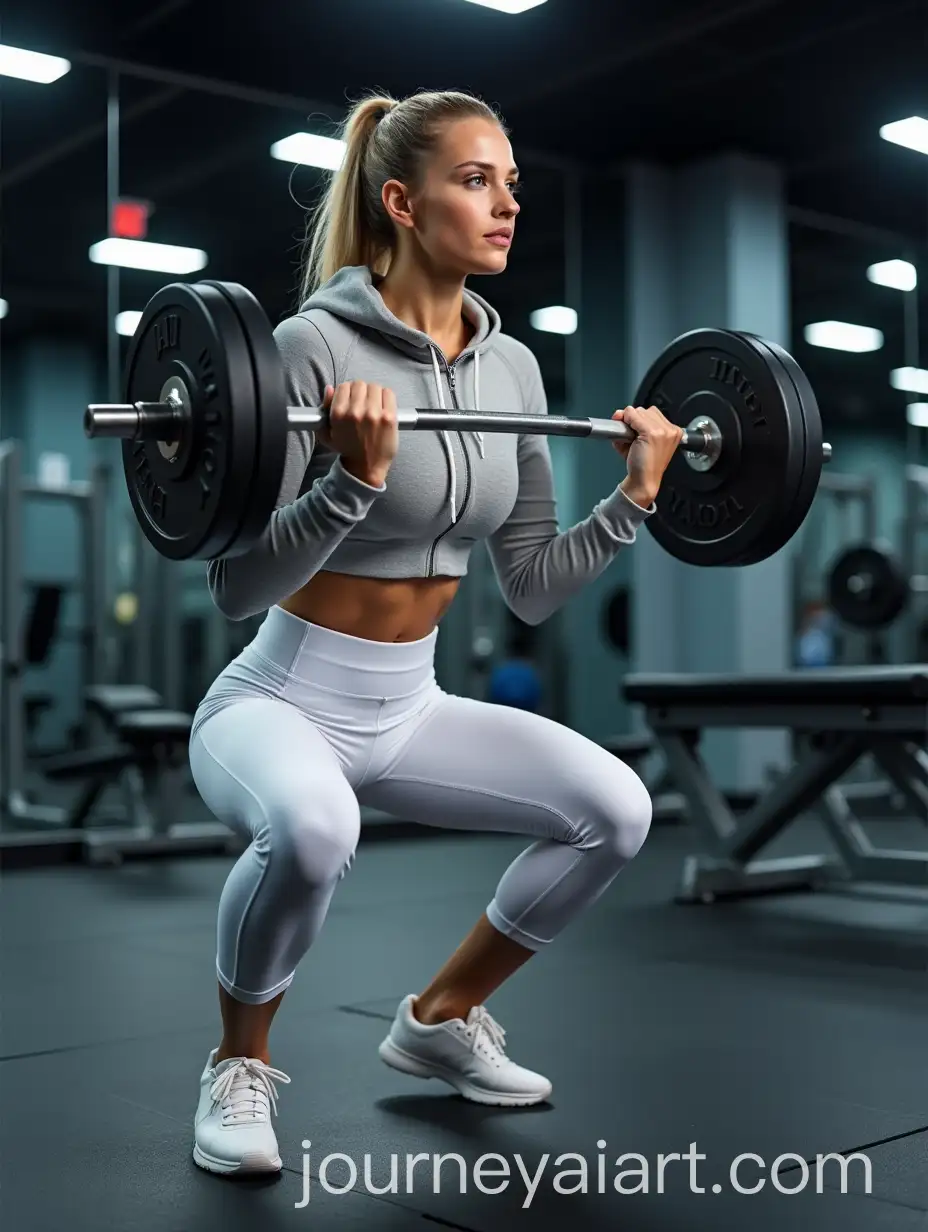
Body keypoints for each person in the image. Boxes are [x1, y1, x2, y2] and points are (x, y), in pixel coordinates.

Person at [187, 88, 683, 1177]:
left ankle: (440, 1016)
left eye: (511, 180)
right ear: (403, 201)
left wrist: (635, 498)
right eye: (476, 180)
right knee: (315, 833)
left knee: (616, 808)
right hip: (278, 698)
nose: (507, 202)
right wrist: (351, 484)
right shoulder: (308, 345)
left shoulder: (513, 369)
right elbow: (234, 584)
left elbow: (536, 588)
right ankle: (238, 1063)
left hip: (409, 704)